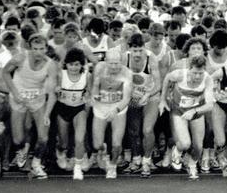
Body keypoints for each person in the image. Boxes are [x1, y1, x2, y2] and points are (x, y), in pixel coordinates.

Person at [2, 34, 59, 179]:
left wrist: (47, 115)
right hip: (19, 99)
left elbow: (52, 94)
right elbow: (5, 72)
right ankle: (22, 151)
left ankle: (36, 163)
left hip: (37, 100)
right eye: (35, 49)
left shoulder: (51, 65)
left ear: (46, 49)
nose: (38, 52)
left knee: (43, 137)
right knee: (17, 140)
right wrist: (14, 92)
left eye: (41, 49)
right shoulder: (20, 58)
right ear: (30, 48)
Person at [159, 55, 215, 180]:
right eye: (194, 72)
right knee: (185, 144)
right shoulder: (180, 75)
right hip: (179, 111)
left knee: (198, 147)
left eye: (200, 73)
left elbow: (209, 105)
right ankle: (177, 152)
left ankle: (192, 164)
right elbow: (167, 78)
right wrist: (162, 99)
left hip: (196, 112)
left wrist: (194, 111)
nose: (197, 76)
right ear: (189, 69)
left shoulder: (207, 79)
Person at [90, 47, 133, 179]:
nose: (114, 66)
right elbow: (94, 89)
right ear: (106, 61)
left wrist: (115, 110)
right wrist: (95, 99)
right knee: (97, 144)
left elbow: (126, 98)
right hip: (101, 107)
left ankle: (113, 165)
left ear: (121, 62)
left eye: (117, 63)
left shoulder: (127, 73)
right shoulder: (99, 69)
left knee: (116, 144)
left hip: (118, 108)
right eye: (111, 63)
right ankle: (102, 151)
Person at [123, 33, 161, 177]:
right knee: (133, 131)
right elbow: (120, 80)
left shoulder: (151, 59)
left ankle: (147, 160)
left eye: (140, 50)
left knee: (147, 129)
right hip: (132, 96)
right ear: (129, 49)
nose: (138, 54)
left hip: (150, 95)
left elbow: (158, 84)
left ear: (144, 48)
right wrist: (130, 94)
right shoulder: (124, 58)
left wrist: (147, 94)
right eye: (135, 51)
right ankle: (136, 159)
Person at [53, 48, 92, 180]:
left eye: (77, 64)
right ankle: (60, 151)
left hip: (78, 109)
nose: (74, 68)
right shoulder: (61, 74)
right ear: (66, 64)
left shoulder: (86, 75)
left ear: (81, 64)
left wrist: (88, 95)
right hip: (63, 109)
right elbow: (54, 89)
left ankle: (77, 168)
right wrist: (56, 89)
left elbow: (89, 92)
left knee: (79, 140)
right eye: (71, 64)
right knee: (64, 142)